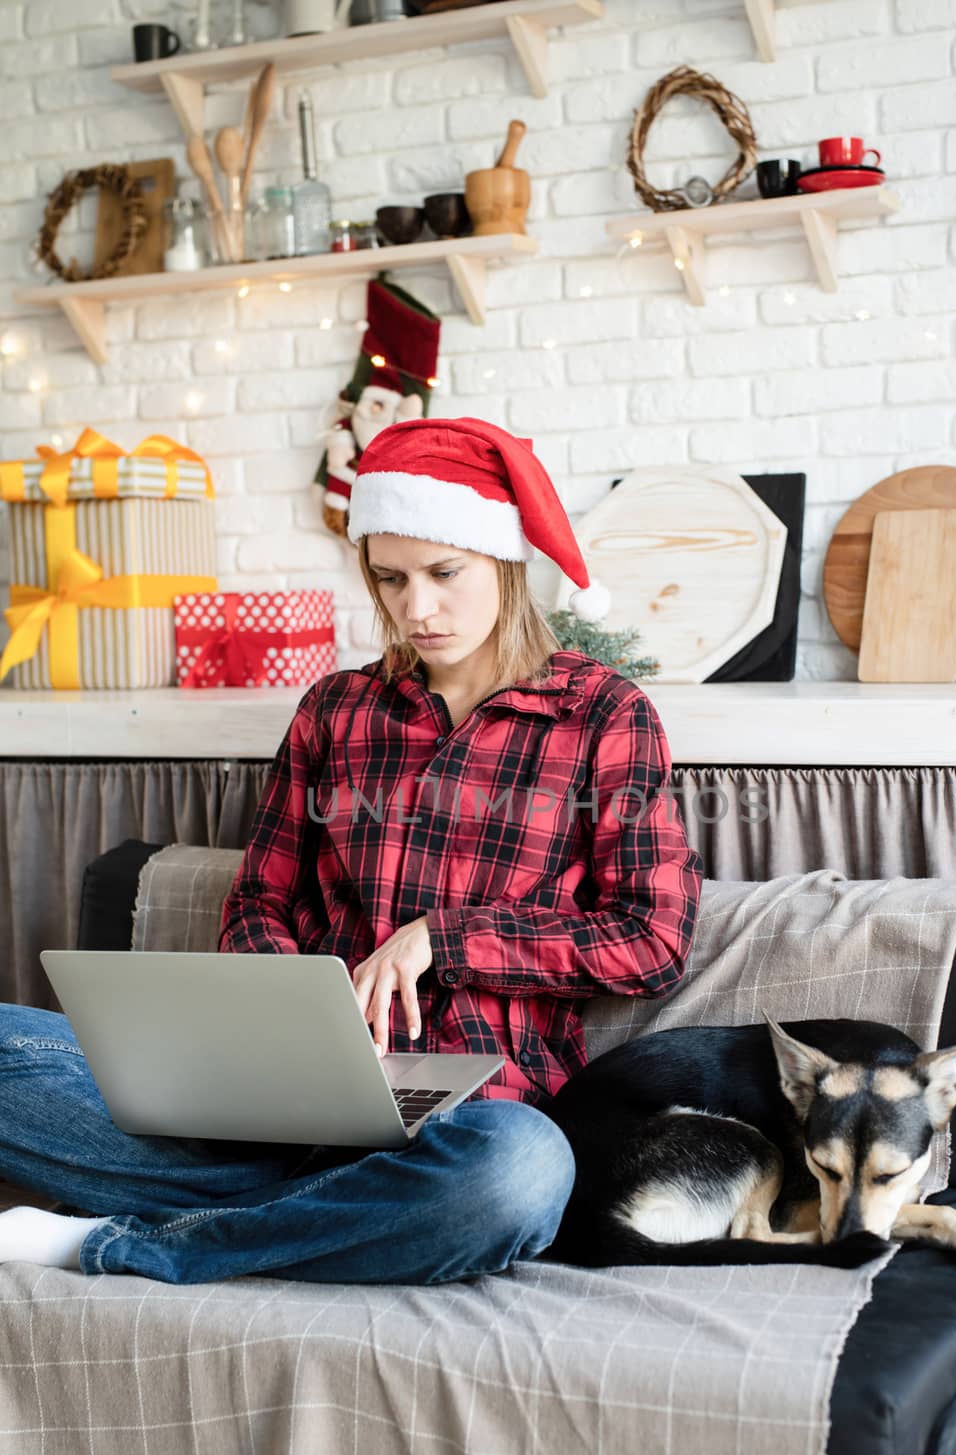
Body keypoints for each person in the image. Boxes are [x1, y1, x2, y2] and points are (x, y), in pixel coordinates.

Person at [0, 417, 703, 1285]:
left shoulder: (603, 715)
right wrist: (299, 1016)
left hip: (469, 1119)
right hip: (287, 1101)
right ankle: (323, 1213)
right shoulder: (336, 710)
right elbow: (259, 902)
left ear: (504, 562)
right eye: (390, 578)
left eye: (445, 574)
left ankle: (125, 1240)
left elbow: (652, 938)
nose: (416, 608)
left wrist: (445, 938)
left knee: (519, 1177)